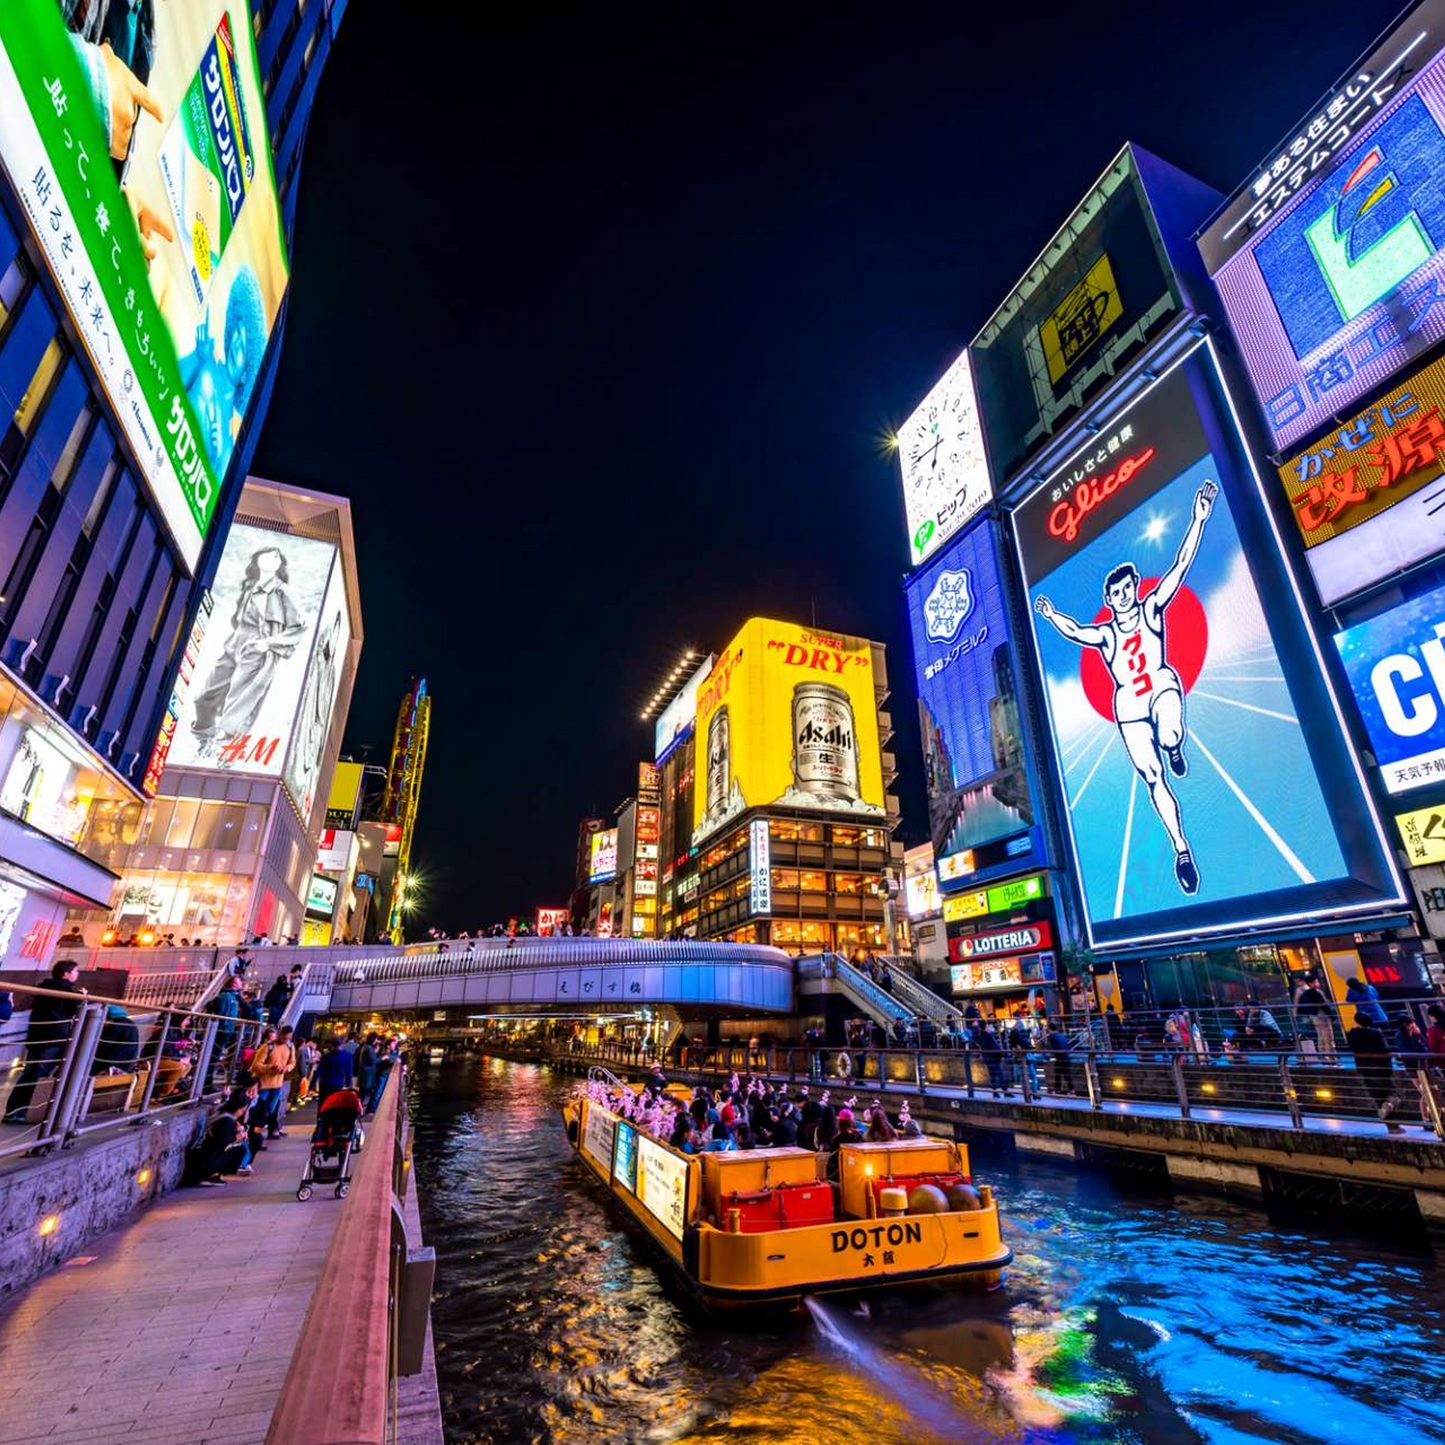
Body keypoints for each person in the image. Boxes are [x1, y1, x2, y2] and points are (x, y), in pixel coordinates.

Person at [1033, 479, 1218, 895]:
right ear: (1110, 598)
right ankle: (1182, 849)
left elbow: (1180, 566)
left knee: (1170, 731)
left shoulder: (1152, 608)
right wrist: (1049, 615)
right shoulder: (1106, 633)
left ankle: (1174, 745)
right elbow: (1076, 631)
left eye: (1125, 589)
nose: (1121, 596)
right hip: (1129, 704)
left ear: (1134, 588)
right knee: (1153, 778)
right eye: (1114, 593)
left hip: (1160, 683)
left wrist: (1198, 519)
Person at [5, 960, 84, 1123]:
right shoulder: (65, 991)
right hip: (52, 1038)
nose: (77, 974)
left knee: (30, 1073)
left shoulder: (44, 987)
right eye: (75, 971)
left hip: (38, 1036)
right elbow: (71, 1011)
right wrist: (81, 997)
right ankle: (22, 1112)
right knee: (38, 1075)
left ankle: (15, 1111)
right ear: (66, 974)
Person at [183, 1091, 254, 1187]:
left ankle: (210, 1174)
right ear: (236, 1107)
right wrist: (236, 1137)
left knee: (238, 1149)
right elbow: (221, 1140)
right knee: (240, 1150)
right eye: (243, 1110)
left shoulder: (221, 1113)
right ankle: (208, 1175)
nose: (243, 1113)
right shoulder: (226, 1121)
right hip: (203, 1163)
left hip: (198, 1157)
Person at [1347, 1010, 1402, 1132]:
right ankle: (1391, 1109)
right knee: (1394, 1096)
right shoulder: (1376, 1033)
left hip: (1365, 1070)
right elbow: (1385, 1050)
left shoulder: (1352, 1035)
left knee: (1378, 1098)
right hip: (1380, 1069)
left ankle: (1391, 1127)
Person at [252, 1026, 296, 1139]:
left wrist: (287, 1068)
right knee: (259, 1111)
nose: (286, 1040)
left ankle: (265, 1133)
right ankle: (254, 1136)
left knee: (271, 1110)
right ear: (279, 1034)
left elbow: (292, 1063)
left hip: (278, 1084)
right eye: (284, 1038)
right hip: (264, 1084)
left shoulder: (290, 1046)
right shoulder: (267, 1046)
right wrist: (271, 1067)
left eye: (288, 1038)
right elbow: (256, 1065)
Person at [1294, 976, 1333, 1057]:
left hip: (1314, 1016)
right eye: (1316, 981)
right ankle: (1331, 1057)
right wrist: (1332, 1016)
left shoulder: (1305, 993)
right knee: (1328, 1037)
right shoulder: (1316, 992)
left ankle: (1323, 1055)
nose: (1317, 983)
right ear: (1311, 983)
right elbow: (1324, 1005)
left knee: (1320, 1036)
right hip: (1321, 1016)